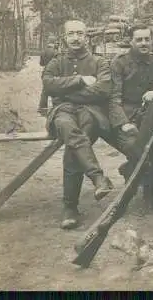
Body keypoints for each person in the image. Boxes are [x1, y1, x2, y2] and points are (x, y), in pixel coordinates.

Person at [42, 20, 114, 229]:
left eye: (80, 34)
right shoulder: (57, 61)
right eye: (71, 34)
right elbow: (48, 83)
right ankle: (98, 177)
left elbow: (104, 89)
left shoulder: (99, 62)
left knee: (76, 142)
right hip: (62, 112)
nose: (75, 38)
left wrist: (65, 92)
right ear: (65, 37)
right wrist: (80, 80)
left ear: (86, 37)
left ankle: (70, 208)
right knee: (67, 127)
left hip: (89, 112)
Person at [109, 23, 153, 197]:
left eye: (147, 39)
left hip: (148, 115)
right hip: (126, 115)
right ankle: (135, 175)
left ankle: (140, 177)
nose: (144, 43)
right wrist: (124, 123)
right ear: (131, 42)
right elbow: (113, 98)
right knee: (135, 146)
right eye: (139, 40)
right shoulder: (119, 63)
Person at [38, 36, 59, 116]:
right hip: (54, 73)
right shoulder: (56, 52)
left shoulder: (43, 51)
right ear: (54, 42)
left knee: (45, 90)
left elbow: (41, 63)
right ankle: (56, 108)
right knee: (56, 89)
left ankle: (42, 108)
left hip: (45, 72)